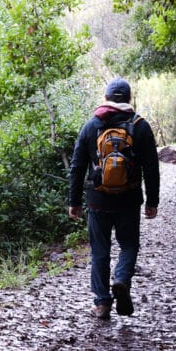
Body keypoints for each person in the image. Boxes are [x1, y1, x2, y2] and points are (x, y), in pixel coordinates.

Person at [68, 78, 159, 320]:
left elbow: (77, 166)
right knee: (129, 244)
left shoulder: (92, 125)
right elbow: (151, 167)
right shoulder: (140, 126)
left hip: (98, 201)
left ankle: (102, 303)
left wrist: (74, 201)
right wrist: (153, 201)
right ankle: (121, 279)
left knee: (100, 250)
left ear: (106, 98)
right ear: (128, 100)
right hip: (129, 200)